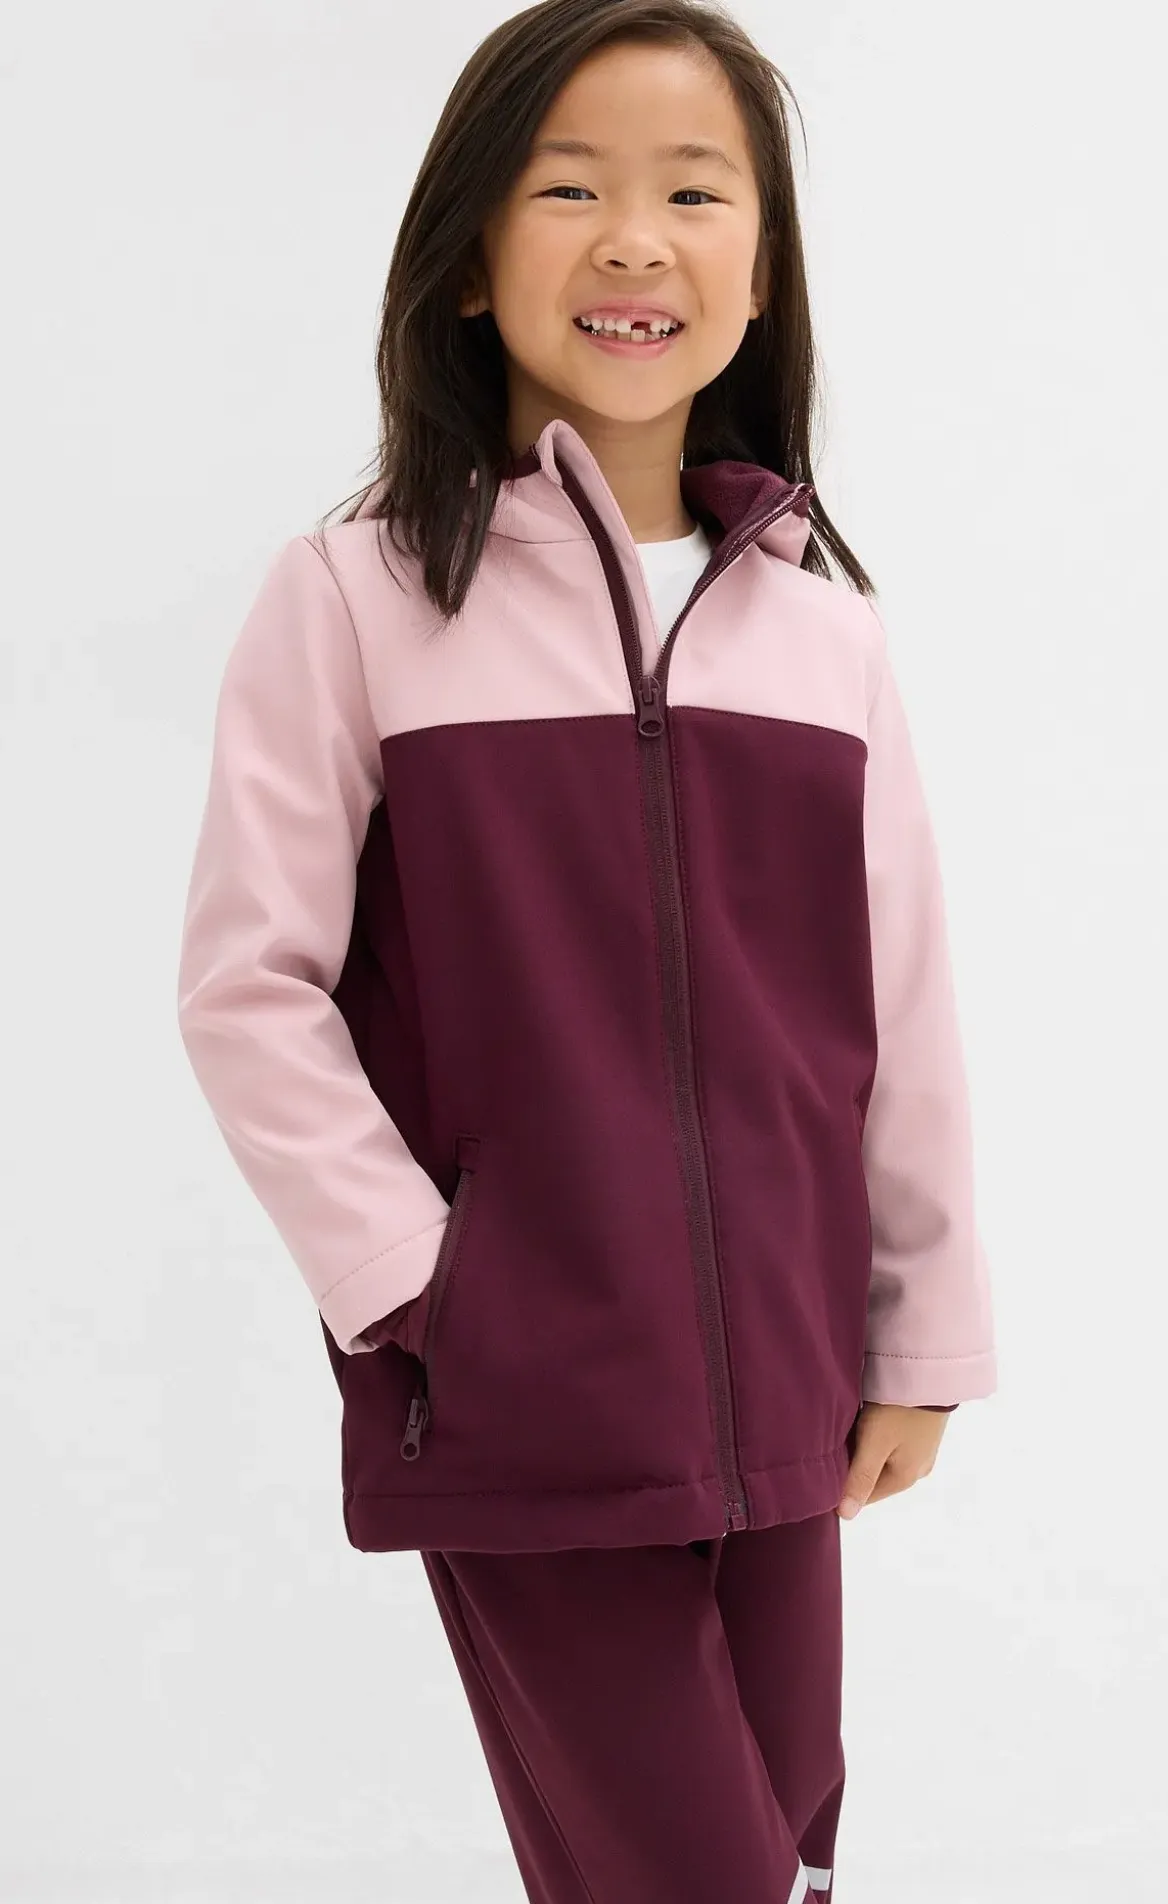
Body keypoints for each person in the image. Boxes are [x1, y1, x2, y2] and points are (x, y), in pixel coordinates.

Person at [176, 2, 997, 1898]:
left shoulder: (821, 629)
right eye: (568, 191)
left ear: (762, 273)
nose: (637, 239)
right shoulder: (363, 594)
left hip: (791, 1367)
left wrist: (922, 1334)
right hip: (522, 1384)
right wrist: (426, 1289)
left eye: (696, 193)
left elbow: (903, 1009)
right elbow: (249, 986)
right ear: (470, 260)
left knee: (787, 1845)